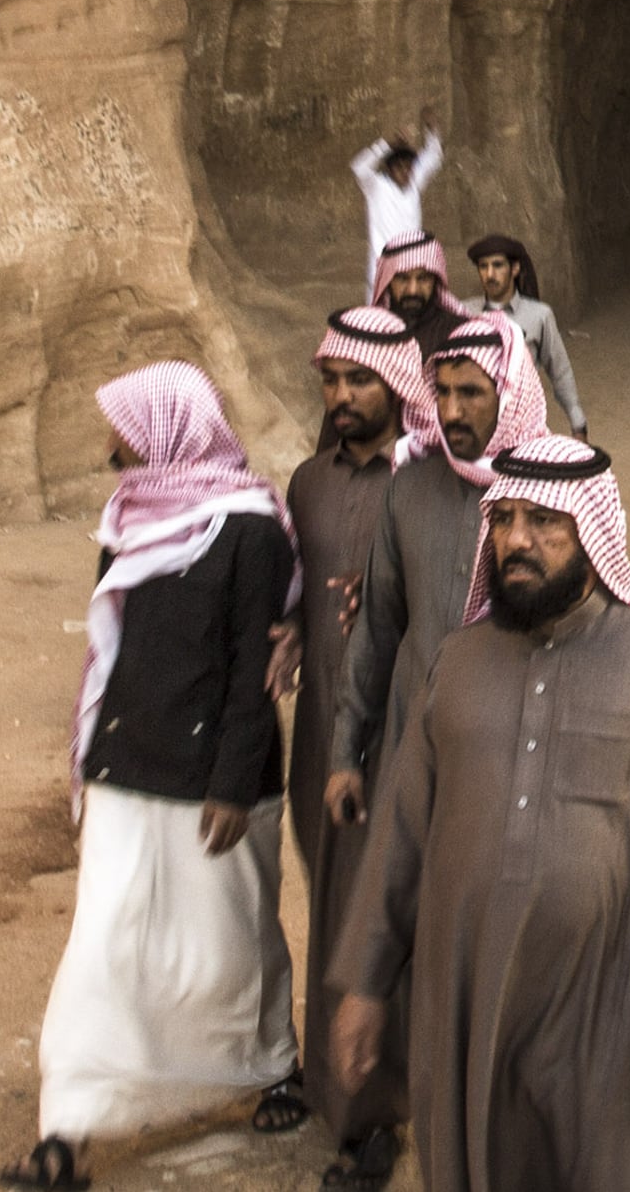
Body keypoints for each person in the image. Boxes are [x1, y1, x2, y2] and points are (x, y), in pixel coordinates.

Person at [330, 435, 630, 1192]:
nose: (516, 539)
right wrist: (364, 985)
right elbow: (400, 838)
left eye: (544, 520)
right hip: (468, 992)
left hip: (612, 993)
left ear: (591, 531)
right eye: (504, 518)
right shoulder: (456, 663)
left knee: (609, 1166)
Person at [6, 363, 305, 1192]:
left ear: (168, 429)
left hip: (215, 776)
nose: (113, 447)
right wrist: (90, 755)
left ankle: (271, 1065)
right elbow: (112, 646)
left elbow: (252, 667)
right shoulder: (129, 518)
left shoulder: (251, 529)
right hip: (126, 761)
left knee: (230, 941)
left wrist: (233, 782)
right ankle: (68, 1131)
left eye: (124, 429)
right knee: (101, 944)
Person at [283, 312, 432, 1190]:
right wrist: (289, 631)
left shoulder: (427, 484)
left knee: (386, 911)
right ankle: (333, 1081)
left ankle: (376, 1111)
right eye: (331, 380)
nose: (341, 396)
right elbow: (295, 589)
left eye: (359, 380)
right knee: (334, 900)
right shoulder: (307, 482)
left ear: (395, 385)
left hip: (401, 736)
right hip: (322, 738)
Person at [323, 316, 550, 845]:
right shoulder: (408, 489)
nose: (450, 411)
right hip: (416, 748)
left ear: (509, 394)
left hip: (518, 756)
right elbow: (376, 628)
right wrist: (345, 755)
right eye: (442, 392)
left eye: (470, 393)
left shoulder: (557, 497)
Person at [466, 235, 587, 438]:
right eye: (483, 266)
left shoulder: (539, 315)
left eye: (498, 265)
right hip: (475, 427)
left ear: (515, 269)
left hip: (524, 425)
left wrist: (578, 425)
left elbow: (560, 371)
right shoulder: (464, 313)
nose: (489, 274)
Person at [350, 118, 443, 260]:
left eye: (408, 167)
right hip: (383, 263)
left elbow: (433, 155)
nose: (405, 172)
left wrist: (431, 130)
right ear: (389, 169)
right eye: (399, 167)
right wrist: (389, 145)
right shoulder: (377, 186)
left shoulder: (414, 183)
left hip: (411, 262)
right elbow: (359, 167)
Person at [371, 235, 461, 358]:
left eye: (423, 278)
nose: (412, 291)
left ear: (435, 281)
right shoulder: (371, 331)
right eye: (402, 278)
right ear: (388, 282)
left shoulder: (457, 331)